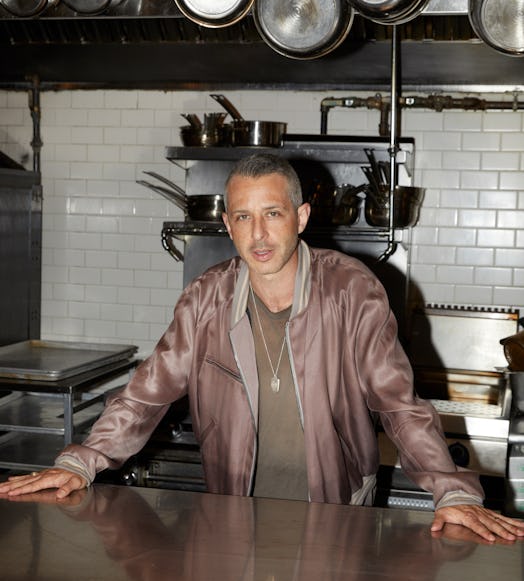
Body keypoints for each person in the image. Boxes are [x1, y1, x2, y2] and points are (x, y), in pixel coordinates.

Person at [1, 153, 523, 543]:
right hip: (233, 518)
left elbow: (399, 405)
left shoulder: (351, 289)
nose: (259, 235)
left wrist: (450, 489)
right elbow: (146, 395)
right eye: (243, 217)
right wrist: (80, 462)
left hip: (337, 515)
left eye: (272, 214)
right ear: (227, 224)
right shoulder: (206, 297)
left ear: (300, 216)